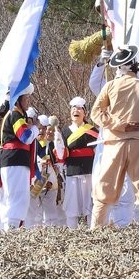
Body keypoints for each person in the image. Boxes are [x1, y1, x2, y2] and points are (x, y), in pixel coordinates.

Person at [90, 47, 139, 228]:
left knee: (105, 187)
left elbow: (95, 113)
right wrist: (138, 123)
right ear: (135, 65)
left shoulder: (110, 86)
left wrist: (119, 124)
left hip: (115, 142)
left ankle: (95, 229)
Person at [0, 84, 41, 230]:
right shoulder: (15, 114)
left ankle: (12, 227)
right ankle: (11, 229)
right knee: (16, 197)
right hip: (15, 160)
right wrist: (35, 128)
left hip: (15, 160)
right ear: (19, 99)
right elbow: (25, 137)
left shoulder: (16, 114)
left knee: (17, 197)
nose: (28, 101)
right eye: (26, 98)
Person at [61, 96, 98, 229]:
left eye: (79, 108)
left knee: (91, 203)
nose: (75, 110)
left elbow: (98, 151)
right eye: (73, 108)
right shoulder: (64, 131)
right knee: (72, 203)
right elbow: (61, 153)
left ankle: (92, 229)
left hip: (89, 170)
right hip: (72, 170)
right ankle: (72, 231)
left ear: (85, 112)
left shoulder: (92, 130)